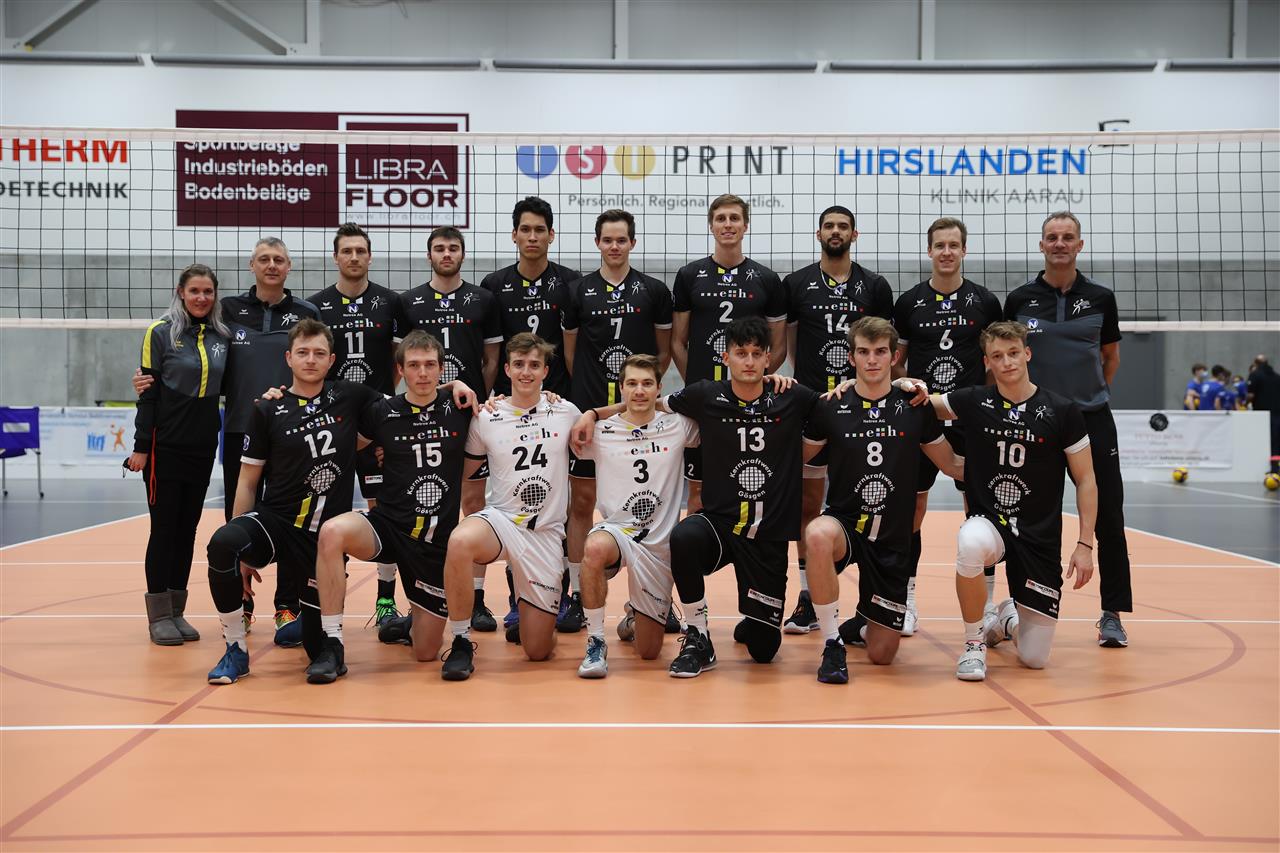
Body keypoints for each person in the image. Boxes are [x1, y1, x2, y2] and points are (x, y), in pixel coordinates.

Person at [577, 317, 816, 678]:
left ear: (769, 359)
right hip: (717, 524)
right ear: (726, 357)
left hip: (767, 532)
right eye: (741, 353)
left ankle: (754, 618)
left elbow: (841, 405)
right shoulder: (705, 396)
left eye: (757, 354)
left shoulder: (790, 396)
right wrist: (593, 413)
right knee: (685, 536)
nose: (749, 361)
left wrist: (896, 385)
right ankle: (698, 636)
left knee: (763, 650)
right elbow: (645, 405)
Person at [132, 238, 321, 647]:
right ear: (252, 265)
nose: (271, 265)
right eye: (264, 259)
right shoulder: (228, 314)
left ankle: (287, 605)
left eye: (279, 259)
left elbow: (319, 366)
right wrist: (148, 387)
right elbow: (184, 369)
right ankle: (241, 605)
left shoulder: (306, 313)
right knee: (235, 523)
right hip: (237, 432)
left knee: (292, 522)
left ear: (289, 266)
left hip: (291, 434)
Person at [896, 320, 1098, 680]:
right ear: (987, 362)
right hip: (991, 522)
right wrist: (903, 383)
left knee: (1034, 658)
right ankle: (973, 644)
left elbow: (1086, 480)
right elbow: (922, 403)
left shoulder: (1062, 410)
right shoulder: (975, 400)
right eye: (998, 356)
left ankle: (1006, 620)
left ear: (1027, 354)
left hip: (1038, 537)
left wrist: (1084, 545)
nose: (1007, 362)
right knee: (971, 542)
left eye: (1013, 353)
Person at [203, 319, 381, 684]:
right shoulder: (267, 408)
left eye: (319, 353)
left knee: (316, 651)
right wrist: (243, 551)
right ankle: (235, 648)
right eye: (303, 352)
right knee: (223, 544)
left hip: (323, 539)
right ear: (288, 358)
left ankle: (323, 639)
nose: (310, 360)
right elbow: (247, 481)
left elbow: (413, 399)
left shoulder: (351, 396)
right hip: (278, 522)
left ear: (331, 360)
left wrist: (454, 385)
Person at [305, 331, 477, 683]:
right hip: (388, 525)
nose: (422, 373)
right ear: (400, 370)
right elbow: (345, 445)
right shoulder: (382, 413)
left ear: (442, 369)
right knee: (333, 532)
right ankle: (332, 643)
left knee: (425, 652)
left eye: (430, 365)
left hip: (432, 541)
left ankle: (412, 622)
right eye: (413, 365)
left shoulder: (461, 408)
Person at [802, 317, 963, 683]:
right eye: (863, 352)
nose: (872, 360)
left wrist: (1025, 468)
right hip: (846, 524)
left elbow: (952, 464)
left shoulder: (915, 405)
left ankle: (863, 621)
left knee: (882, 656)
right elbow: (794, 458)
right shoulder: (831, 406)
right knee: (817, 534)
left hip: (891, 538)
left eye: (880, 352)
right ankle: (832, 643)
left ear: (894, 356)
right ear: (851, 357)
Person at [1004, 211, 1131, 648]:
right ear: (1041, 245)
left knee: (1109, 516)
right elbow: (1008, 357)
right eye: (1052, 237)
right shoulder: (1020, 299)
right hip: (1038, 420)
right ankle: (1025, 606)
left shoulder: (1101, 298)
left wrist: (1086, 399)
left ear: (1079, 244)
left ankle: (1112, 613)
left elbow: (1110, 358)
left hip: (1091, 419)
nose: (1060, 243)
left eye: (1067, 237)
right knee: (1031, 519)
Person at [438, 333, 582, 679]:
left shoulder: (565, 412)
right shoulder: (487, 416)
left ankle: (533, 610)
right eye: (519, 364)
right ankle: (460, 641)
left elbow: (597, 431)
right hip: (502, 522)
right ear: (506, 369)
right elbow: (465, 472)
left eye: (534, 365)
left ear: (546, 371)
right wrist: (453, 385)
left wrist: (591, 413)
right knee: (460, 541)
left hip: (545, 535)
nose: (526, 372)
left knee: (537, 651)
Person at [561, 209, 676, 637]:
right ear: (597, 243)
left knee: (649, 506)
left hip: (639, 416)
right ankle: (578, 593)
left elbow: (661, 354)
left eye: (621, 239)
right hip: (591, 413)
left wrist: (637, 396)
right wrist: (593, 405)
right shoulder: (578, 291)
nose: (614, 246)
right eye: (607, 239)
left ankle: (651, 599)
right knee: (581, 503)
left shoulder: (654, 291)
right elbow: (571, 354)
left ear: (632, 243)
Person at [780, 204, 893, 637]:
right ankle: (808, 598)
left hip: (861, 410)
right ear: (818, 233)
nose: (835, 231)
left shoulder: (874, 286)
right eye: (828, 225)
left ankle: (871, 603)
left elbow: (884, 345)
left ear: (854, 234)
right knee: (808, 506)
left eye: (843, 226)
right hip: (814, 406)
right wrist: (811, 387)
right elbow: (791, 341)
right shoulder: (797, 284)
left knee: (868, 500)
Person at [890, 217, 1002, 636]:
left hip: (970, 420)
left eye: (954, 245)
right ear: (930, 250)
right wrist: (908, 390)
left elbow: (994, 361)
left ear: (964, 250)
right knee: (912, 509)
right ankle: (906, 600)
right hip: (922, 417)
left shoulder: (985, 301)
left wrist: (986, 406)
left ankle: (986, 606)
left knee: (980, 511)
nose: (947, 252)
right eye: (940, 245)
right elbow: (896, 361)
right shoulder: (909, 302)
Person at [395, 226, 503, 633]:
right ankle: (422, 597)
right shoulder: (409, 301)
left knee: (473, 502)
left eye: (453, 248)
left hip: (469, 415)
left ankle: (475, 600)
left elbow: (491, 361)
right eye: (439, 248)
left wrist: (476, 400)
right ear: (429, 255)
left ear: (462, 254)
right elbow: (400, 362)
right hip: (424, 414)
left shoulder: (483, 299)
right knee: (426, 504)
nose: (446, 254)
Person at [481, 197, 579, 634]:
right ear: (515, 234)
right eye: (526, 229)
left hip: (555, 409)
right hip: (509, 411)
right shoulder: (493, 285)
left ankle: (560, 595)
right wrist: (491, 399)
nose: (533, 236)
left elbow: (573, 350)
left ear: (551, 235)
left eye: (540, 229)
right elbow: (491, 354)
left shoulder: (571, 283)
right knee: (514, 503)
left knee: (560, 505)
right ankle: (518, 599)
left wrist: (565, 400)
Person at [569, 354, 699, 677]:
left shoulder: (679, 426)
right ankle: (596, 641)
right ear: (621, 388)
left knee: (649, 652)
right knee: (594, 548)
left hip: (657, 545)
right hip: (618, 532)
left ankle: (634, 617)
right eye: (632, 384)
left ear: (659, 389)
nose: (639, 391)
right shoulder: (600, 431)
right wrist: (591, 413)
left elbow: (722, 416)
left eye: (647, 384)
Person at [126, 264, 230, 646]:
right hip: (164, 448)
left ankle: (177, 610)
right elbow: (148, 394)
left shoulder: (222, 336)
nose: (202, 297)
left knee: (188, 532)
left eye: (208, 291)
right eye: (195, 291)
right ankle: (158, 616)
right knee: (164, 530)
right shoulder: (160, 332)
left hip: (202, 447)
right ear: (180, 292)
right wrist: (141, 447)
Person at [308, 222, 403, 630]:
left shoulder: (390, 302)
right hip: (331, 425)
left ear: (370, 256)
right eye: (346, 251)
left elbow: (398, 360)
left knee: (385, 511)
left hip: (377, 426)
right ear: (335, 257)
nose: (353, 257)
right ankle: (323, 604)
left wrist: (379, 407)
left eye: (360, 251)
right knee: (326, 513)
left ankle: (385, 601)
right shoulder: (316, 306)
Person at [671, 194, 787, 522]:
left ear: (746, 225)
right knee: (697, 493)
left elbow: (778, 347)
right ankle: (698, 552)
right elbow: (678, 342)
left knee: (750, 486)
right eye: (720, 218)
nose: (727, 224)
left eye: (734, 218)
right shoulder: (689, 275)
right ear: (711, 225)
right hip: (703, 404)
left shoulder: (766, 279)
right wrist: (699, 386)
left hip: (749, 403)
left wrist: (752, 384)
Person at [1247, 355, 1280, 473]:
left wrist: (1245, 403)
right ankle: (1275, 468)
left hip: (1261, 415)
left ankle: (1259, 468)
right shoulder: (1277, 376)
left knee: (1261, 441)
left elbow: (1251, 395)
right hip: (1277, 413)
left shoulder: (1255, 375)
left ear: (1255, 363)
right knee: (1276, 441)